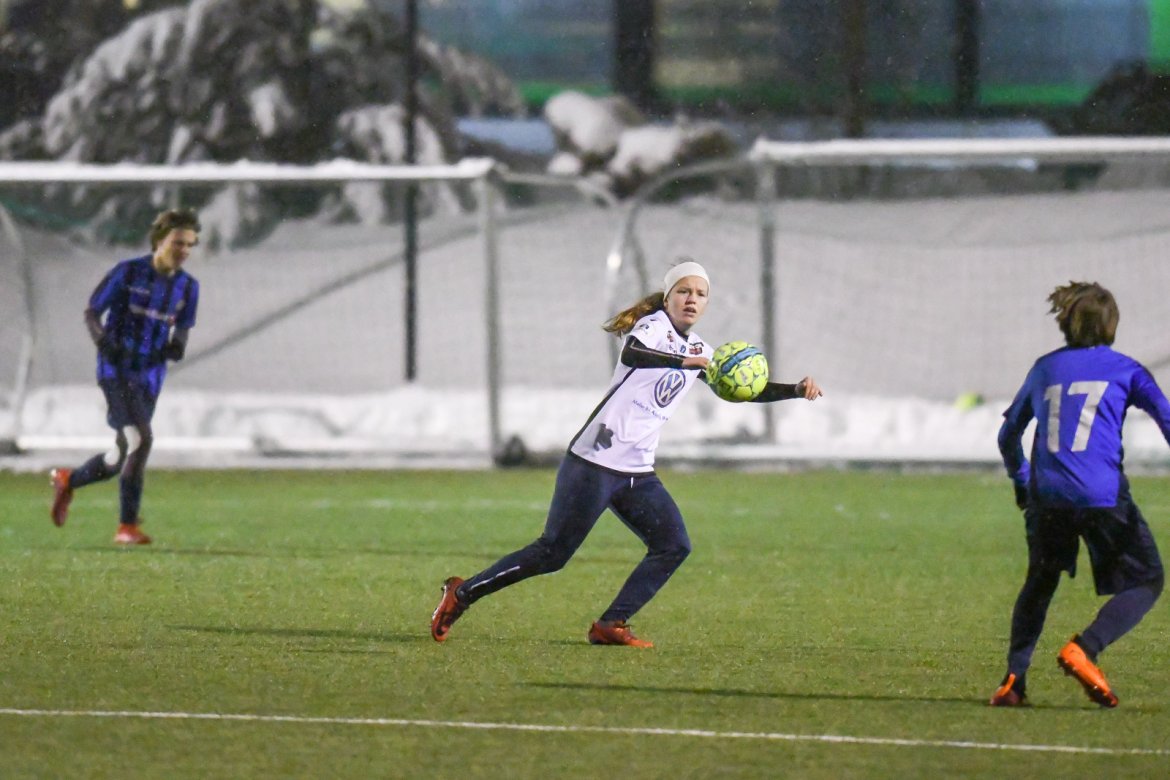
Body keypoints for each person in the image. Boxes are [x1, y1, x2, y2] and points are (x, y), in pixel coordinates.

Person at [430, 259, 823, 647]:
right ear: (667, 298)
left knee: (673, 545)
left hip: (637, 471)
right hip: (595, 461)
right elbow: (634, 353)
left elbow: (742, 389)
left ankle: (611, 624)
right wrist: (683, 361)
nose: (692, 299)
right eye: (684, 291)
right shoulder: (653, 327)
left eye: (700, 294)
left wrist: (792, 390)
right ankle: (462, 594)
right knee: (553, 553)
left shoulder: (701, 349)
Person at [990, 281, 1167, 708]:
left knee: (1040, 581)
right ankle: (1085, 648)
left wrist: (1022, 481)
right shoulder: (1127, 370)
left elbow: (1008, 435)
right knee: (1147, 579)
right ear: (1111, 325)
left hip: (1047, 498)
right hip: (1102, 497)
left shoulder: (1044, 369)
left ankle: (1013, 681)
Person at [49, 208, 202, 545]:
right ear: (159, 240)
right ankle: (126, 526)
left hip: (150, 377)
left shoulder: (188, 287)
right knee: (141, 440)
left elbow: (183, 326)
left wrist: (178, 345)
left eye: (190, 245)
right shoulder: (128, 272)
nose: (184, 250)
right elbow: (92, 311)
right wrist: (103, 341)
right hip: (116, 372)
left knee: (119, 455)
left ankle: (68, 480)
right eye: (178, 242)